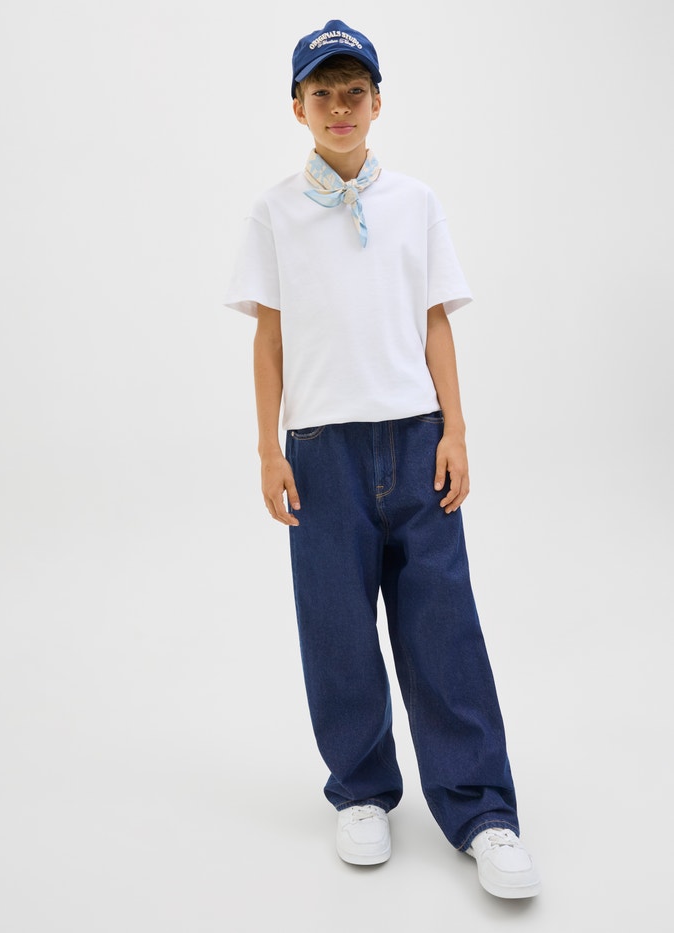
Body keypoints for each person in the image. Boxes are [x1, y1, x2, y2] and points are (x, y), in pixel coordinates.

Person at [224, 19, 541, 899]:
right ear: (297, 107)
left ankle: (482, 810)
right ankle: (361, 790)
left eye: (354, 92)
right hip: (321, 449)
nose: (340, 107)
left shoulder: (415, 202)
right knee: (336, 626)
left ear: (377, 103)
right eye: (322, 93)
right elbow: (269, 339)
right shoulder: (275, 213)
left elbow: (435, 320)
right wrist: (269, 449)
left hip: (415, 437)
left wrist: (456, 429)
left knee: (443, 623)